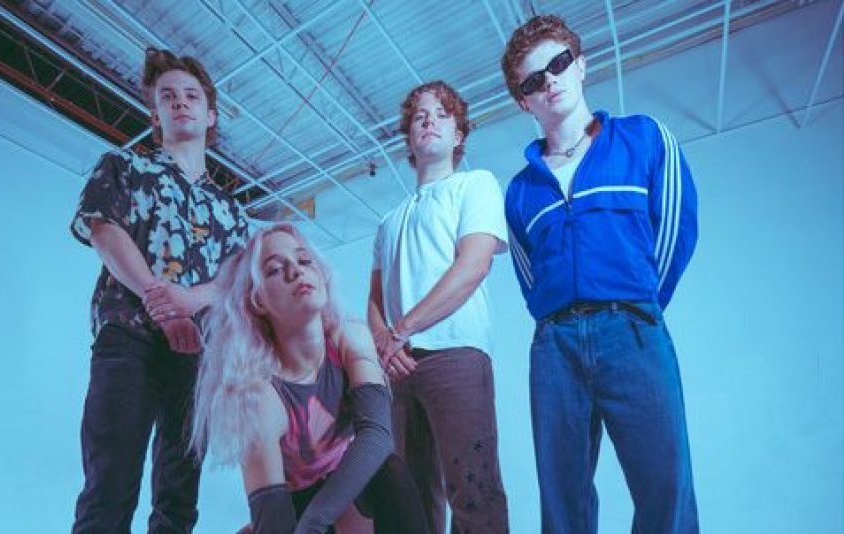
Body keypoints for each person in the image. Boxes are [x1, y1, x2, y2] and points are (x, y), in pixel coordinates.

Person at [501, 14, 700, 533]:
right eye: (533, 80)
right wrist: (559, 320)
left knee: (665, 488)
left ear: (581, 64)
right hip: (555, 348)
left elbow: (675, 231)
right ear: (524, 101)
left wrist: (636, 305)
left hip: (632, 332)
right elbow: (529, 275)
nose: (550, 81)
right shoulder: (520, 190)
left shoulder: (644, 139)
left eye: (558, 63)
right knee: (562, 500)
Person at [70, 47, 248, 533]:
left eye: (191, 95)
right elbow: (103, 229)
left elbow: (237, 280)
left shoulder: (232, 210)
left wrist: (191, 301)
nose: (180, 102)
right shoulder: (124, 167)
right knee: (110, 483)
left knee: (179, 493)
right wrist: (160, 300)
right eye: (168, 96)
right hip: (127, 339)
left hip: (198, 356)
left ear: (211, 115)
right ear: (155, 115)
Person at [190, 223, 428, 534]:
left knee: (390, 470)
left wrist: (317, 521)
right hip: (298, 505)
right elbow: (273, 515)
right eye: (275, 270)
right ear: (257, 301)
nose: (295, 271)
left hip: (348, 489)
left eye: (304, 260)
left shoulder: (350, 337)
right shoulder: (258, 395)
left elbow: (377, 436)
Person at [367, 81, 510, 534]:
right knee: (406, 501)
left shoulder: (475, 184)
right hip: (398, 366)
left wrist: (401, 329)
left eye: (442, 115)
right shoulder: (387, 221)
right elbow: (374, 300)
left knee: (474, 493)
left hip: (456, 355)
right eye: (419, 116)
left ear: (458, 135)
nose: (429, 120)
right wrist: (385, 345)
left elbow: (473, 266)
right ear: (409, 138)